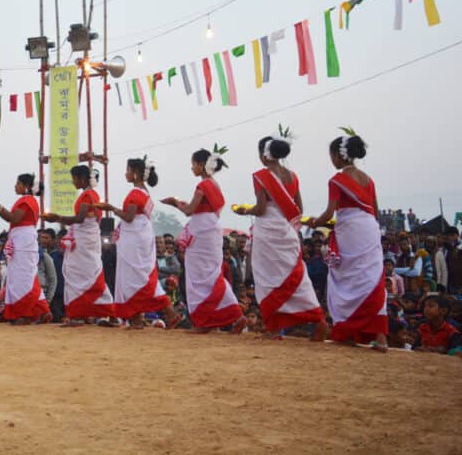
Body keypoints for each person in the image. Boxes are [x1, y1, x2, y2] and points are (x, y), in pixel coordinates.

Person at [234, 132, 326, 341]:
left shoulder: (261, 176)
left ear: (264, 155)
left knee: (267, 278)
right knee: (297, 277)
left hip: (267, 231)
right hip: (287, 231)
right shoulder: (293, 177)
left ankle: (274, 329)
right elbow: (299, 209)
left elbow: (260, 208)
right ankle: (318, 319)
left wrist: (244, 211)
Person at [305, 130, 388, 351]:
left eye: (331, 155)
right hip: (369, 229)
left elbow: (329, 214)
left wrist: (314, 222)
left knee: (346, 280)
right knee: (371, 279)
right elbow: (375, 211)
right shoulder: (368, 180)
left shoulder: (337, 180)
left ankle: (347, 331)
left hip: (350, 230)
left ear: (339, 155)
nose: (331, 160)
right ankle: (380, 337)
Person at [161, 148, 247, 334]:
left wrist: (174, 202)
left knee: (198, 278)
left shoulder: (203, 186)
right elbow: (200, 208)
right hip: (212, 229)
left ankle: (204, 322)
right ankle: (234, 316)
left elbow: (190, 210)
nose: (192, 168)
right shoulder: (214, 185)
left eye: (193, 164)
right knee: (212, 276)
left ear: (201, 165)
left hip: (201, 232)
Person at [96, 158, 180, 329]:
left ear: (135, 173)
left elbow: (129, 217)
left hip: (135, 240)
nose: (125, 174)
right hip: (139, 236)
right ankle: (136, 319)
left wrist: (111, 208)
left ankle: (170, 313)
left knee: (137, 278)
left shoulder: (136, 193)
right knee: (134, 277)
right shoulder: (144, 192)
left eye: (127, 170)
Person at [41, 165, 115, 326]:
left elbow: (80, 218)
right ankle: (91, 314)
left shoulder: (88, 194)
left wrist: (57, 218)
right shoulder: (90, 194)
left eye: (73, 178)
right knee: (87, 275)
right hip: (86, 238)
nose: (72, 182)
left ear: (81, 178)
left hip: (84, 240)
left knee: (80, 275)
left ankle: (90, 314)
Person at [0, 172, 51, 325]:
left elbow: (14, 218)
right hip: (23, 239)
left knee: (22, 278)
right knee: (27, 276)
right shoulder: (28, 200)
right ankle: (42, 310)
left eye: (18, 183)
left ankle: (25, 314)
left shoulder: (27, 200)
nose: (15, 186)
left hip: (23, 241)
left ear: (26, 187)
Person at [36, 228, 58, 304]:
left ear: (53, 239)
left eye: (46, 238)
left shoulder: (47, 257)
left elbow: (53, 280)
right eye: (42, 237)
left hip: (49, 295)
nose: (43, 240)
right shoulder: (37, 253)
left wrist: (48, 301)